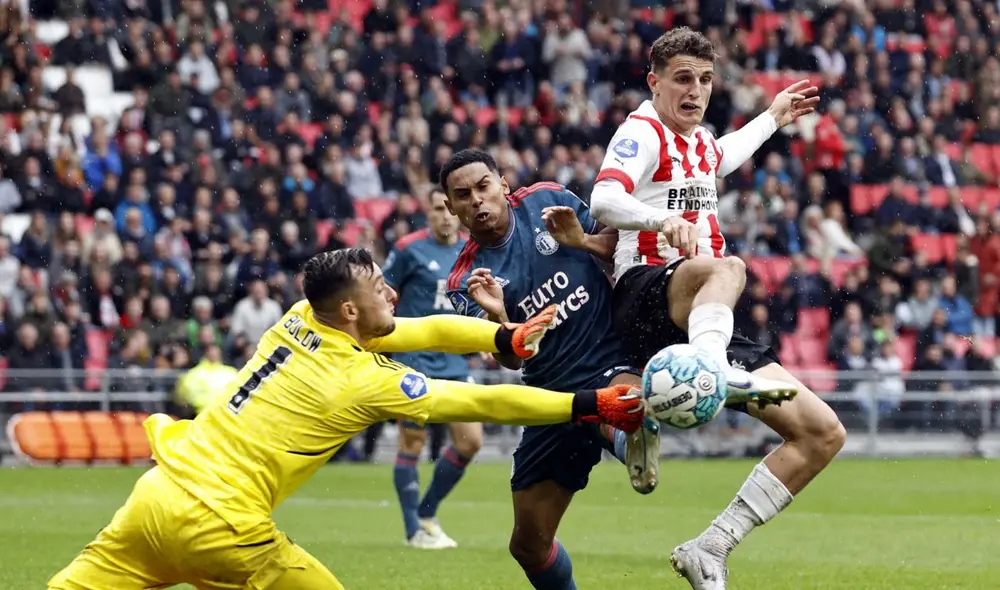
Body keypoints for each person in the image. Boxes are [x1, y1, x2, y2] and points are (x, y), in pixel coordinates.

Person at [48, 248, 644, 590]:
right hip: (223, 526)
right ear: (353, 309)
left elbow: (427, 328)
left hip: (156, 495)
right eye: (382, 289)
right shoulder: (363, 382)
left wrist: (503, 336)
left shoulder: (301, 316)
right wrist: (587, 403)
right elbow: (478, 401)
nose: (393, 296)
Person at [586, 27, 846, 590]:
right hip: (647, 292)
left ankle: (710, 547)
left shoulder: (699, 140)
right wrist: (660, 220)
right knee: (730, 266)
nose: (696, 90)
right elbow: (603, 197)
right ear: (654, 82)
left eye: (705, 80)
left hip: (703, 308)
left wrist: (773, 116)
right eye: (683, 78)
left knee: (821, 432)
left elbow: (723, 156)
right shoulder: (642, 131)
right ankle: (709, 372)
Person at [440, 149, 662, 590]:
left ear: (503, 184)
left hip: (609, 358)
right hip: (549, 399)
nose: (477, 201)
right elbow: (510, 359)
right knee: (528, 547)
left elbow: (619, 246)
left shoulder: (547, 200)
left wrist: (582, 241)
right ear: (451, 208)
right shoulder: (466, 280)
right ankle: (628, 431)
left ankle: (630, 437)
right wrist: (503, 320)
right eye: (463, 196)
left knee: (620, 402)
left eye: (484, 187)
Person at [382, 188, 482, 549]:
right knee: (413, 441)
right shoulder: (409, 249)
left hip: (454, 359)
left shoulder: (470, 251)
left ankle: (427, 511)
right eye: (437, 209)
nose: (444, 215)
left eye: (448, 209)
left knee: (471, 441)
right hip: (415, 358)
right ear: (428, 211)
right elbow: (384, 294)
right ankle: (413, 531)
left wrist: (485, 338)